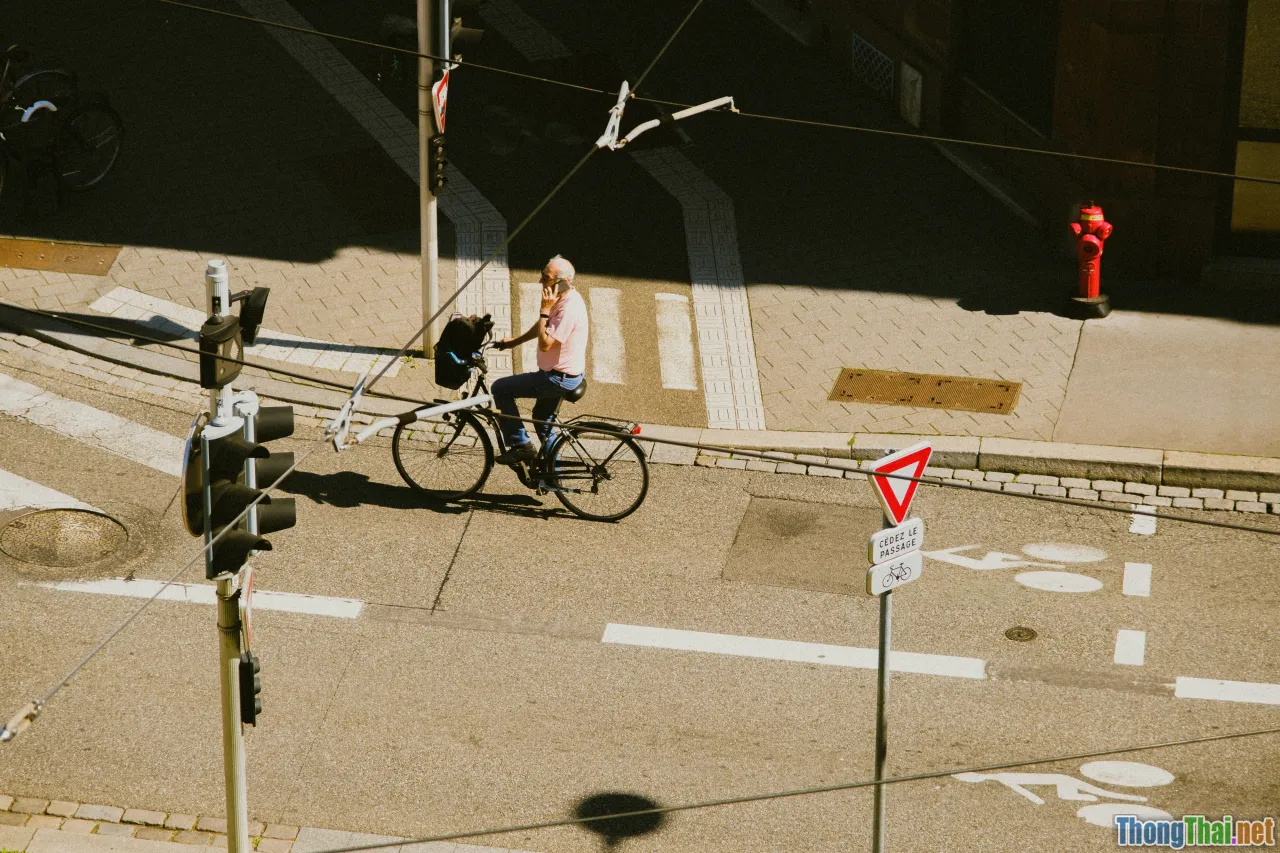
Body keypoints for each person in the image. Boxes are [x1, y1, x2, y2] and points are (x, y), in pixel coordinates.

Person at [491, 255, 588, 464]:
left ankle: (521, 445)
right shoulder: (562, 298)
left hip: (556, 378)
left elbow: (546, 342)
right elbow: (544, 326)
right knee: (542, 419)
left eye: (546, 278)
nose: (540, 282)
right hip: (562, 373)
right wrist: (514, 342)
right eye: (542, 276)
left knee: (500, 388)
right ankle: (552, 475)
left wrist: (544, 309)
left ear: (562, 282)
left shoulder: (568, 308)